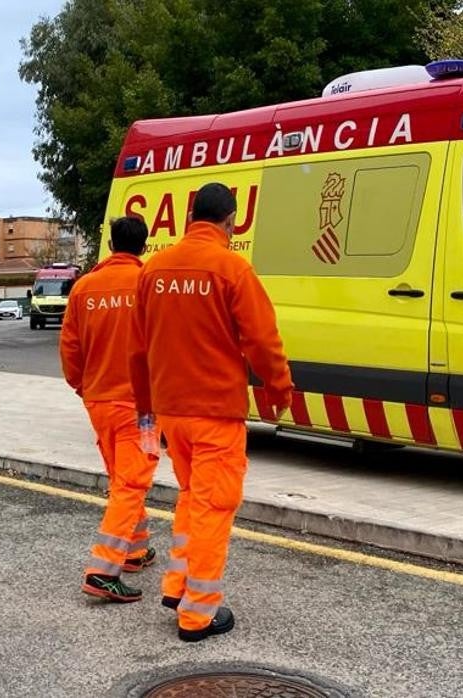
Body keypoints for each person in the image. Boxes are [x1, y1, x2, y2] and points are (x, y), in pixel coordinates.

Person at [130, 183, 293, 642]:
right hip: (216, 413)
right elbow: (262, 340)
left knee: (190, 498)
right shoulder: (232, 269)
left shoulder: (154, 269)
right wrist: (280, 388)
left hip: (171, 412)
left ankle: (178, 586)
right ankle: (198, 613)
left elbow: (138, 348)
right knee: (213, 507)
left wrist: (146, 412)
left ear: (190, 217)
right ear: (231, 221)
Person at [60, 215, 159, 603]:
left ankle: (134, 550)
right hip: (141, 405)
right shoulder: (151, 283)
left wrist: (83, 386)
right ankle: (103, 570)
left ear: (112, 244)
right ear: (144, 244)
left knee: (122, 479)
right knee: (133, 483)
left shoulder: (85, 288)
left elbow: (70, 347)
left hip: (99, 400)